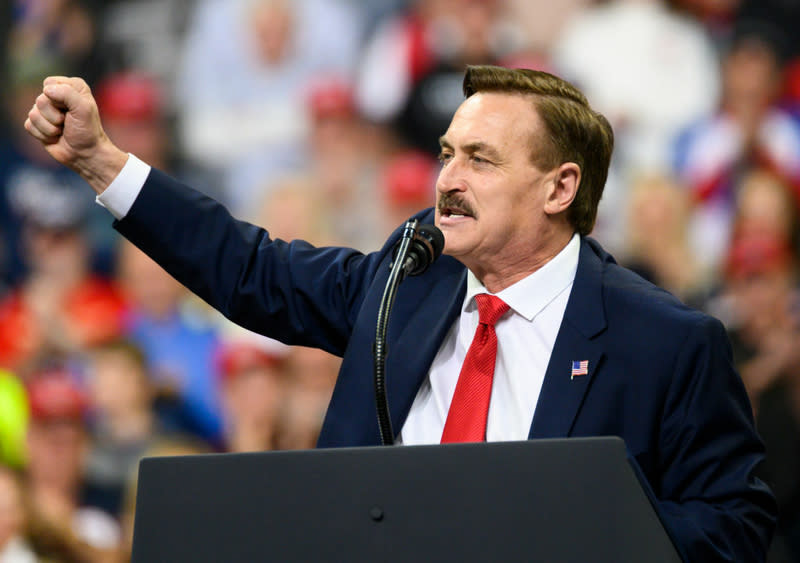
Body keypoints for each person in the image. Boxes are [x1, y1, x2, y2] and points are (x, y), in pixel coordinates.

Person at [24, 65, 776, 560]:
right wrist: (101, 161)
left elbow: (736, 527)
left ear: (559, 187)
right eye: (447, 153)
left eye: (480, 159)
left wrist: (593, 519)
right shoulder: (406, 280)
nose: (447, 178)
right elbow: (249, 266)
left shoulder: (666, 343)